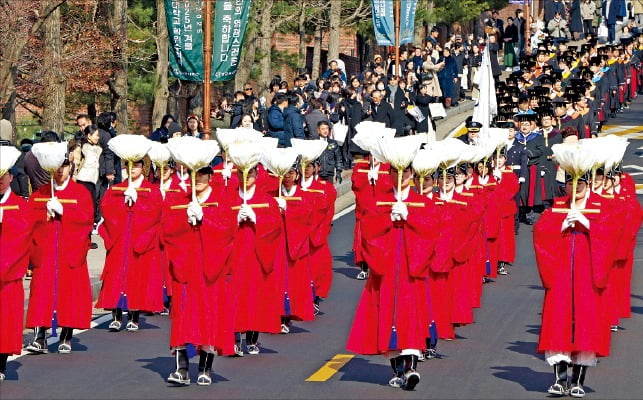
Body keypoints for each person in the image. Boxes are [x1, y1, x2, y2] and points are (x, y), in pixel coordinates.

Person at [346, 163, 438, 390]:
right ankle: (398, 370)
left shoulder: (423, 203)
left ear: (412, 174)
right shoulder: (379, 203)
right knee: (388, 315)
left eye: (405, 172)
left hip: (410, 269)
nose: (401, 176)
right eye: (396, 172)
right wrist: (388, 220)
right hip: (386, 269)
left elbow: (431, 231)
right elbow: (368, 231)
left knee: (411, 316)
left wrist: (410, 218)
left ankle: (410, 368)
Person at [533, 172, 617, 398]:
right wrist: (560, 226)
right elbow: (540, 233)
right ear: (566, 186)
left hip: (587, 276)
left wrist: (589, 225)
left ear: (588, 184)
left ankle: (578, 380)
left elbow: (612, 237)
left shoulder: (601, 206)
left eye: (580, 182)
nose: (576, 186)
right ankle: (560, 379)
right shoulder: (557, 207)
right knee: (558, 321)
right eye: (571, 182)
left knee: (585, 322)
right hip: (560, 275)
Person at [162, 166, 236, 385]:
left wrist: (205, 220)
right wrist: (185, 221)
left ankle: (205, 368)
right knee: (182, 316)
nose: (199, 179)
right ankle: (181, 369)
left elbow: (227, 232)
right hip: (186, 267)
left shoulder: (221, 200)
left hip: (209, 269)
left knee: (208, 314)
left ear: (211, 176)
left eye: (203, 174)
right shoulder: (178, 200)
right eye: (196, 174)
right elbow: (167, 230)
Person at [25, 155, 94, 354]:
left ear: (70, 167)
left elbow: (86, 219)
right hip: (46, 251)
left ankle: (66, 334)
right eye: (56, 167)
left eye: (64, 166)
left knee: (68, 291)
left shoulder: (80, 193)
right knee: (41, 292)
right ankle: (40, 336)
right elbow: (30, 221)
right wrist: (43, 214)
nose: (60, 170)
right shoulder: (41, 193)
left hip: (68, 250)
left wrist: (65, 211)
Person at [96, 158, 164, 332]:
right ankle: (116, 315)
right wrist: (122, 203)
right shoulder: (117, 189)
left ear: (143, 168)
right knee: (116, 276)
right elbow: (107, 209)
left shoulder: (151, 190)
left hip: (139, 239)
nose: (133, 169)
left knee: (137, 276)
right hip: (120, 239)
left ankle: (134, 316)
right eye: (130, 165)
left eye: (137, 165)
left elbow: (155, 213)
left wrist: (138, 203)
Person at [225, 164, 283, 355]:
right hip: (234, 254)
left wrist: (257, 218)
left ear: (257, 175)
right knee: (233, 294)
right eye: (242, 173)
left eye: (250, 173)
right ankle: (234, 337)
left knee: (254, 295)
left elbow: (275, 226)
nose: (246, 177)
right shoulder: (228, 198)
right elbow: (218, 224)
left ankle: (252, 338)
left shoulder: (266, 200)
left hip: (257, 255)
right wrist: (234, 220)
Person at [0, 150, 32, 380]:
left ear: (11, 177)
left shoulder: (19, 205)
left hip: (7, 273)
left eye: (4, 175)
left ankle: (0, 364)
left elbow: (23, 238)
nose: (0, 180)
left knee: (4, 320)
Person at [75, 125, 103, 226]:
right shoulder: (82, 147)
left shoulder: (99, 148)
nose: (98, 137)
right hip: (82, 180)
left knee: (92, 208)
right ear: (89, 136)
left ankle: (89, 231)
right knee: (84, 208)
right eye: (96, 135)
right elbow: (76, 163)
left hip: (93, 182)